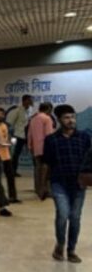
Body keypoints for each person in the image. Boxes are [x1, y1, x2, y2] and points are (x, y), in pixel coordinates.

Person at [42, 104, 92, 262]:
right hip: (59, 183)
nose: (71, 120)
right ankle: (60, 244)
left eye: (73, 117)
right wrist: (43, 185)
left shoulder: (84, 137)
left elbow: (89, 160)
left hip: (79, 184)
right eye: (66, 118)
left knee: (75, 217)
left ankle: (71, 250)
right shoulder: (51, 140)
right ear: (59, 120)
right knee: (63, 214)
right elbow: (46, 164)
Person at [28, 102, 55, 199]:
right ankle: (46, 190)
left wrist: (30, 146)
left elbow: (29, 134)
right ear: (48, 109)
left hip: (36, 148)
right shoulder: (47, 118)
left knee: (37, 168)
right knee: (47, 170)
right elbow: (49, 135)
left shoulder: (33, 119)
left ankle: (38, 189)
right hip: (46, 147)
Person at [0, 108, 21, 203]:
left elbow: (5, 138)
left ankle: (13, 196)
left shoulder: (4, 125)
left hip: (6, 155)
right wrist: (6, 143)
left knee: (10, 176)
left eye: (2, 114)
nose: (1, 116)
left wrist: (10, 142)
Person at [5, 94, 34, 175]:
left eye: (31, 100)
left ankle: (36, 170)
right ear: (24, 101)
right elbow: (9, 122)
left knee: (33, 152)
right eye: (29, 100)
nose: (31, 102)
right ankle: (12, 171)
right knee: (15, 153)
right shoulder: (17, 110)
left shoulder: (31, 110)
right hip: (17, 135)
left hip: (28, 135)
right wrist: (7, 134)